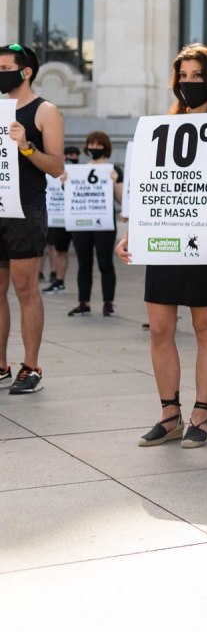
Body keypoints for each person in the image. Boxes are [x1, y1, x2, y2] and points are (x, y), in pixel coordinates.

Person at [116, 44, 207, 446]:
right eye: (183, 76)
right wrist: (133, 232)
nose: (189, 83)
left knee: (206, 327)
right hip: (164, 237)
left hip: (204, 238)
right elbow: (150, 187)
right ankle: (169, 414)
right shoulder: (165, 124)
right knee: (160, 328)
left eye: (197, 76)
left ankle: (201, 415)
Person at [0, 43, 65, 394]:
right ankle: (1, 365)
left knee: (25, 288)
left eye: (4, 68)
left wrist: (26, 146)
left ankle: (31, 366)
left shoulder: (44, 111)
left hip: (26, 209)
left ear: (25, 72)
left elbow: (56, 166)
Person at [67, 132, 123, 317]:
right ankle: (84, 303)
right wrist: (65, 182)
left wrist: (115, 182)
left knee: (105, 263)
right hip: (82, 222)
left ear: (105, 147)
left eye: (98, 145)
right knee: (84, 264)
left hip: (104, 223)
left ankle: (108, 303)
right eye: (91, 144)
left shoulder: (113, 169)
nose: (94, 148)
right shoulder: (79, 171)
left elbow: (121, 199)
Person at [40, 144, 78, 295]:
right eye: (69, 155)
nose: (72, 158)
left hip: (76, 217)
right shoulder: (49, 174)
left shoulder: (80, 171)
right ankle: (58, 280)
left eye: (75, 155)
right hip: (58, 217)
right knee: (58, 249)